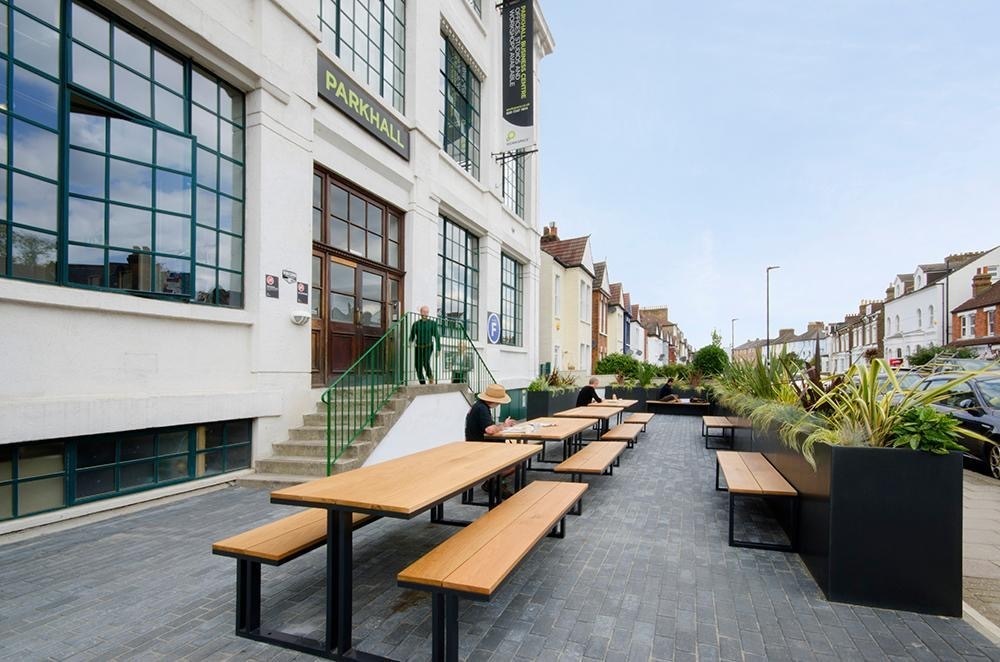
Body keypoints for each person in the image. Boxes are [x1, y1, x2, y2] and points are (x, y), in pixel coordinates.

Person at [465, 384, 516, 498]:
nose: (499, 404)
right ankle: (494, 482)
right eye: (499, 402)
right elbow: (490, 430)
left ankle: (493, 482)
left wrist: (501, 426)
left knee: (514, 458)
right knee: (516, 462)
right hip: (480, 448)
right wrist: (503, 426)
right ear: (494, 400)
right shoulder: (482, 409)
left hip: (476, 445)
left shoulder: (479, 406)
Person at [409, 306, 440, 384]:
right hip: (418, 347)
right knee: (417, 365)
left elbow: (437, 336)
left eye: (426, 312)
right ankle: (422, 383)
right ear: (420, 312)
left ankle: (430, 377)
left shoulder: (432, 323)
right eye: (423, 312)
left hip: (428, 347)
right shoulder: (416, 324)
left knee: (425, 361)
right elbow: (412, 336)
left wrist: (438, 349)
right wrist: (409, 343)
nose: (425, 314)